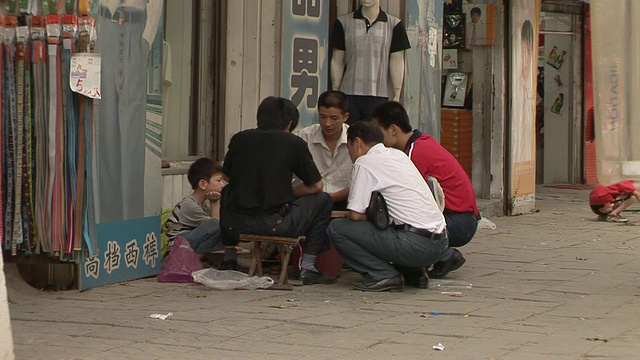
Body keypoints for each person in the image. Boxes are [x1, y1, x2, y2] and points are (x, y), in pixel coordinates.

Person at [219, 97, 336, 285]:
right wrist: (287, 190)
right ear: (289, 123)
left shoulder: (239, 139)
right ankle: (308, 267)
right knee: (323, 200)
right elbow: (316, 186)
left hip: (235, 225)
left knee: (227, 192)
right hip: (275, 223)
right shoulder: (293, 143)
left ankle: (229, 258)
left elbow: (226, 177)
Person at [327, 122, 448, 292]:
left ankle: (383, 274)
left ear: (357, 143)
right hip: (441, 244)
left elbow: (355, 215)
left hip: (414, 245)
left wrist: (374, 216)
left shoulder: (364, 162)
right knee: (391, 222)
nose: (350, 154)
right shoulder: (399, 156)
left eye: (349, 148)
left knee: (337, 229)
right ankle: (414, 272)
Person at [370, 101, 479, 279]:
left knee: (398, 219)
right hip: (461, 218)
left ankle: (444, 255)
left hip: (459, 221)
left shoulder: (415, 153)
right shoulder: (420, 143)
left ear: (393, 130)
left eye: (378, 132)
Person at [96, 0, 163, 222]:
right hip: (106, 26)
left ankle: (132, 219)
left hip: (135, 29)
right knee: (107, 129)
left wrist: (146, 38)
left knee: (132, 130)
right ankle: (108, 220)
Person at [330, 0, 411, 124]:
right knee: (348, 136)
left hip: (378, 95)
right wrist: (335, 90)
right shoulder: (343, 22)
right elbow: (337, 59)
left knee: (374, 138)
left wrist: (396, 94)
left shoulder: (394, 25)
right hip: (348, 94)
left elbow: (397, 60)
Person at [295, 90, 352, 210]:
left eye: (334, 118)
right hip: (308, 201)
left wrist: (332, 198)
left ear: (345, 117)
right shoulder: (304, 137)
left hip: (345, 201)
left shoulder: (355, 140)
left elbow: (361, 180)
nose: (327, 123)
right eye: (322, 117)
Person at [165, 158, 229, 261]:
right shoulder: (190, 205)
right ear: (203, 184)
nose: (223, 184)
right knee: (217, 226)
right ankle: (194, 260)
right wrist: (215, 202)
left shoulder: (205, 204)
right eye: (218, 180)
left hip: (190, 242)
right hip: (177, 247)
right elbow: (216, 225)